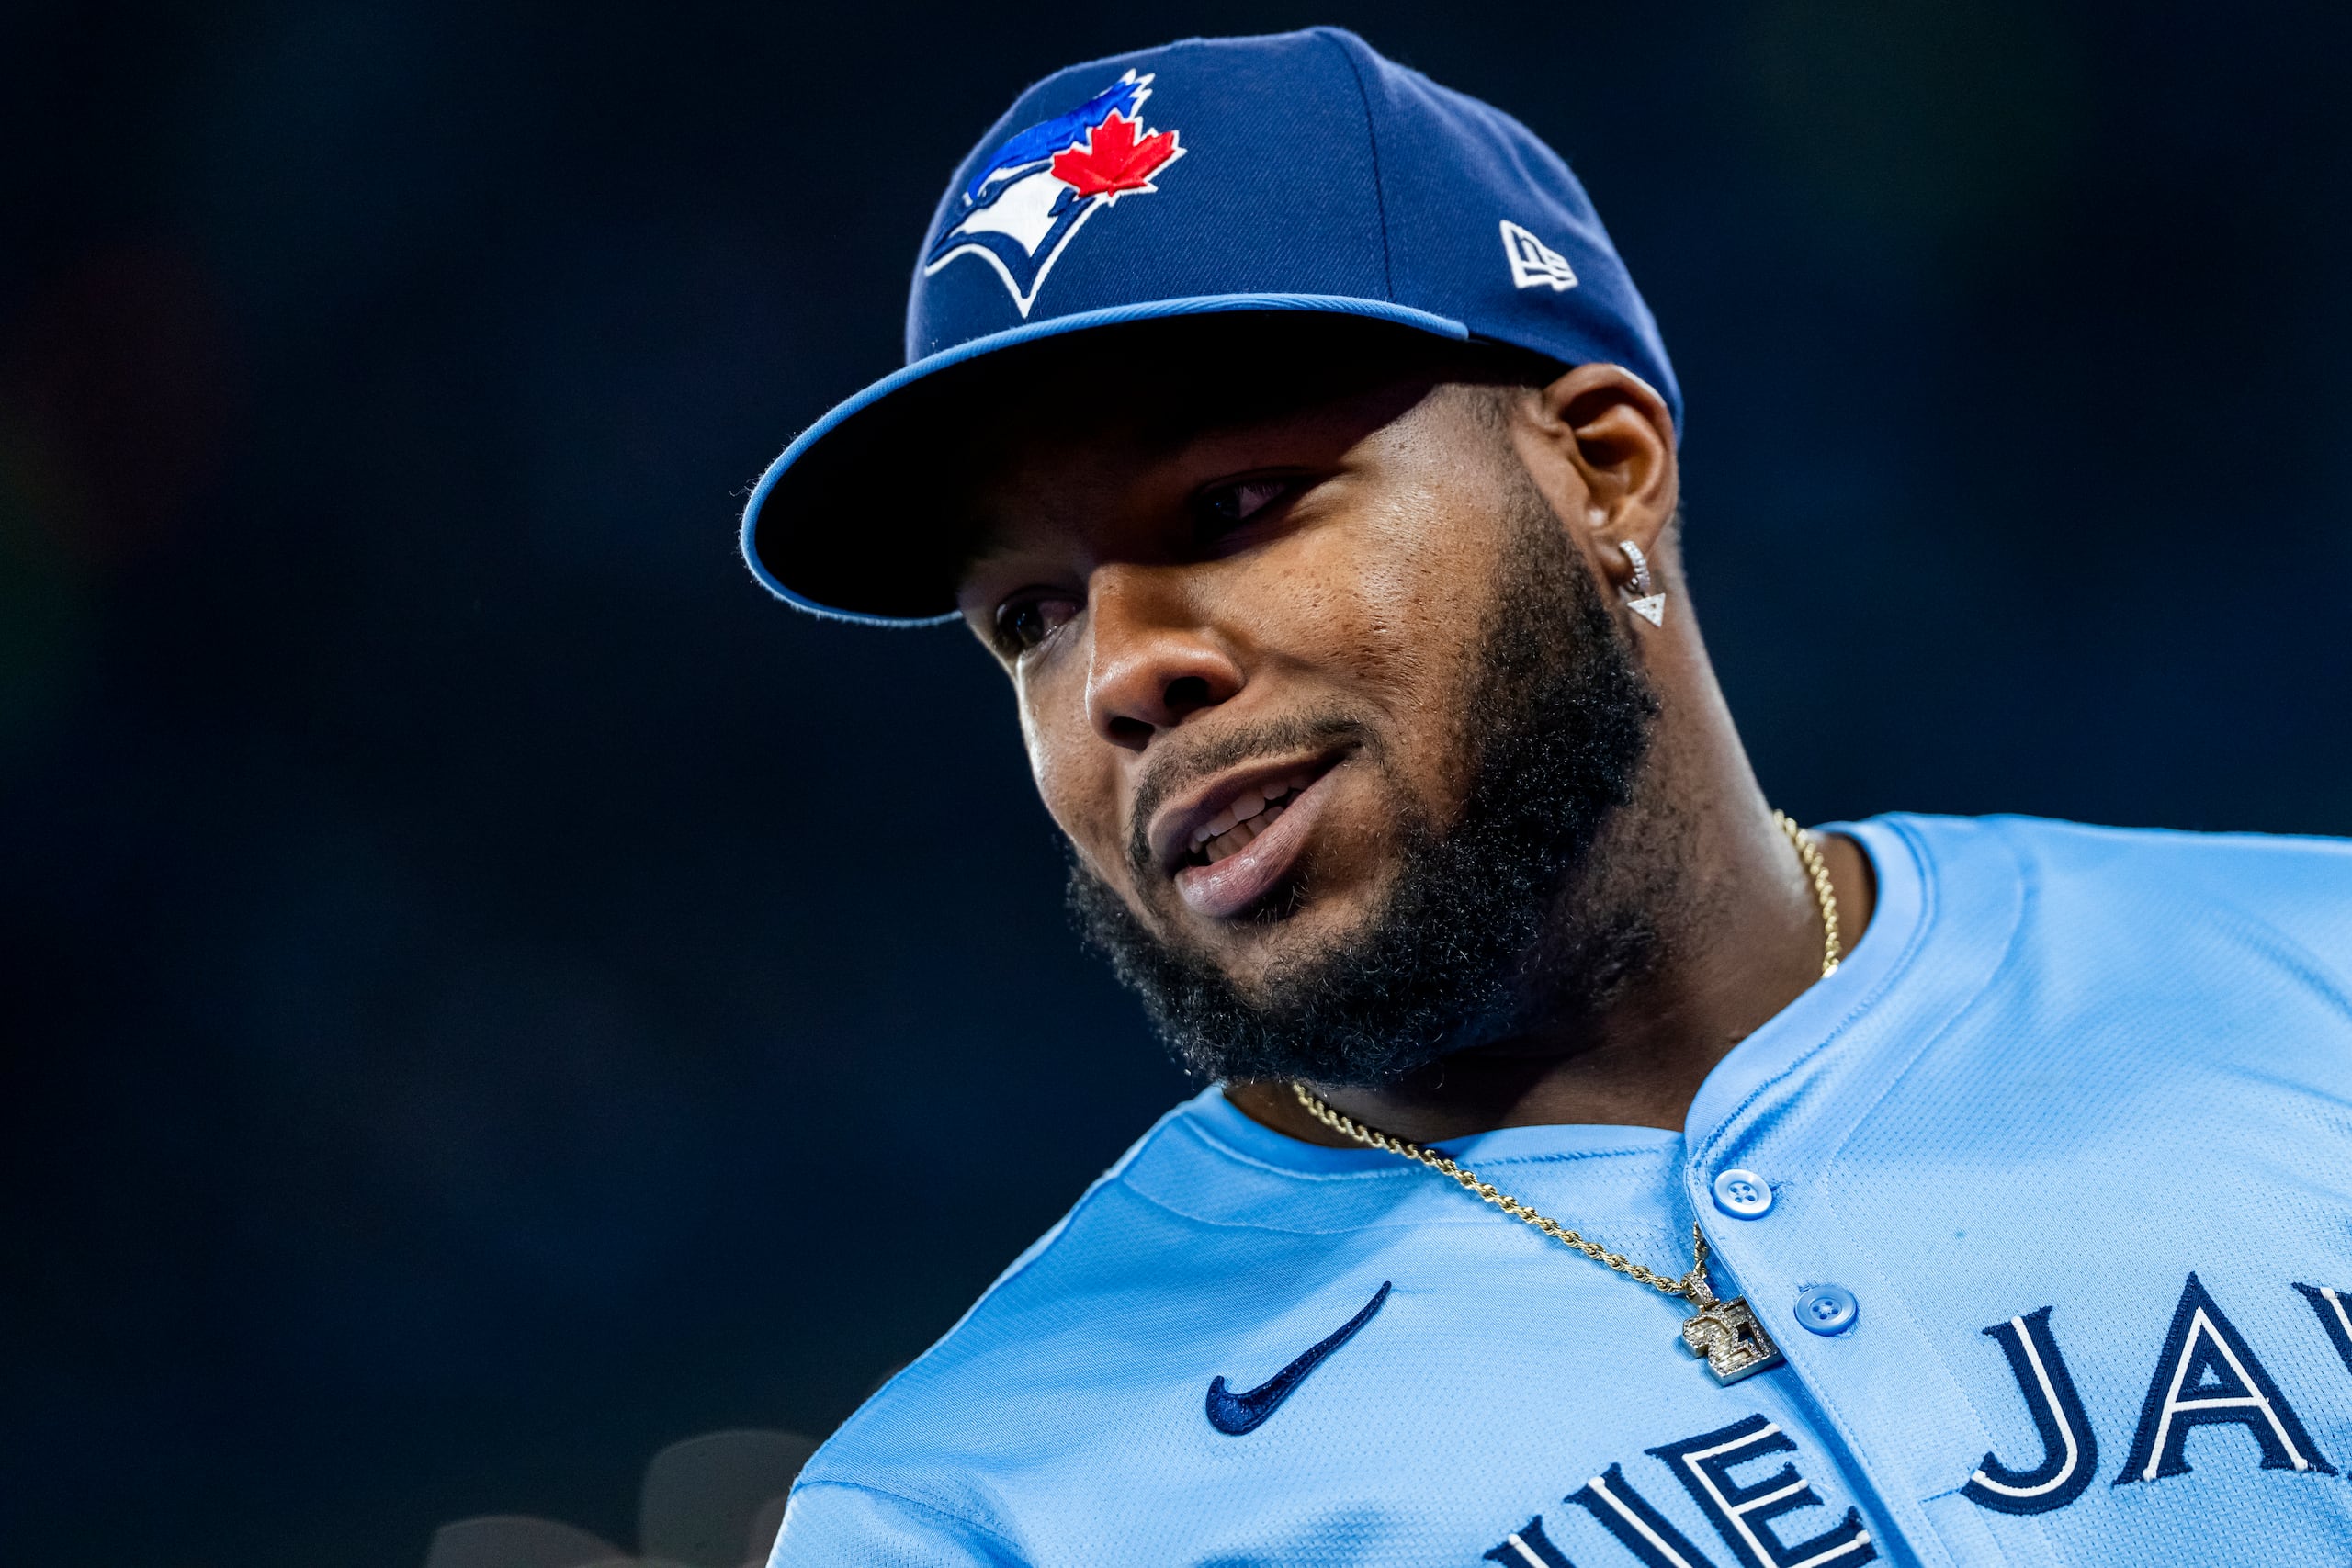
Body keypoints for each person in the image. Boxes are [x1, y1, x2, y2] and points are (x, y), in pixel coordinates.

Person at [741, 28, 2352, 1567]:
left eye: (1231, 506)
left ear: (1600, 469)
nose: (1121, 672)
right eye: (1028, 616)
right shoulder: (980, 1512)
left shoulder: (2314, 976)